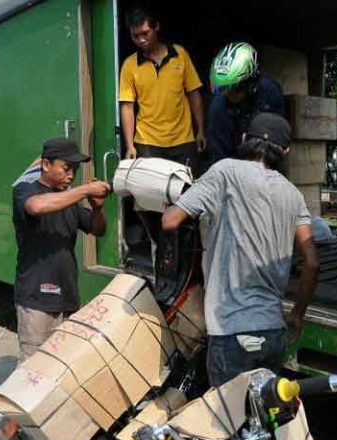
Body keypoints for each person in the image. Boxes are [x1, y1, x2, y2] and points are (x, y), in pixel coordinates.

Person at [162, 113, 319, 387]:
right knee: (262, 410)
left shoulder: (226, 171)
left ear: (245, 139)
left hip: (231, 331)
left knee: (227, 412)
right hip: (272, 332)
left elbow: (170, 220)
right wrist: (297, 314)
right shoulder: (294, 195)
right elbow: (312, 263)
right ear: (285, 151)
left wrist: (176, 204)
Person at [0, 137, 111, 440]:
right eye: (66, 167)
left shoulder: (68, 200)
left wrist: (97, 208)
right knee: (31, 371)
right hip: (35, 298)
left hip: (67, 296)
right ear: (45, 164)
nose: (70, 174)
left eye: (74, 169)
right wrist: (85, 191)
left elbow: (99, 230)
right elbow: (37, 207)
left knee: (61, 368)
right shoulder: (26, 191)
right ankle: (9, 430)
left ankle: (51, 427)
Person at [119, 7, 206, 169]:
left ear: (157, 27)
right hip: (147, 142)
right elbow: (127, 106)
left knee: (186, 184)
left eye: (145, 33)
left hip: (183, 140)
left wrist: (200, 130)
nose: (141, 40)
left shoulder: (180, 55)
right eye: (135, 36)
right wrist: (130, 145)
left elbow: (194, 93)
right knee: (151, 185)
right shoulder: (130, 66)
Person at [207, 42, 285, 163]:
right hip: (233, 162)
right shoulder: (218, 107)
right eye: (223, 88)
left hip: (265, 160)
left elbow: (277, 138)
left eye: (234, 88)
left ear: (250, 82)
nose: (228, 93)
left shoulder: (270, 92)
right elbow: (221, 156)